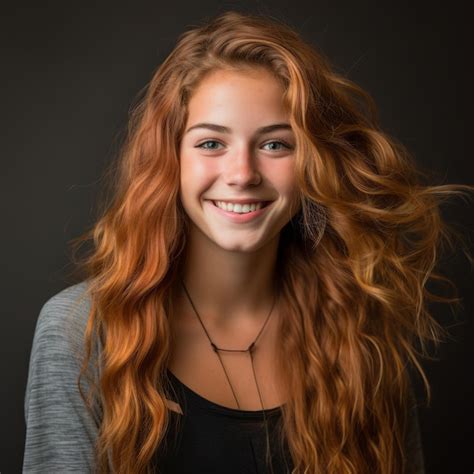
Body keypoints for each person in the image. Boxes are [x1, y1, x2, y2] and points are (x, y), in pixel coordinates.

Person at [22, 10, 472, 474]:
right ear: (168, 159)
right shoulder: (82, 333)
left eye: (276, 144)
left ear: (313, 162)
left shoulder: (362, 328)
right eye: (211, 144)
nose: (242, 174)